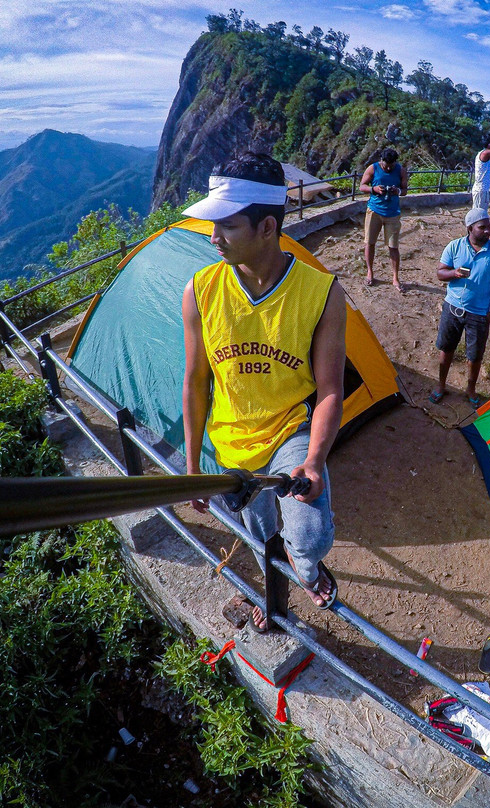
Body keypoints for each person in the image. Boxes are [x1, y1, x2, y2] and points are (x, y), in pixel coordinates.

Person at [181, 152, 346, 632]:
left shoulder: (321, 292)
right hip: (232, 443)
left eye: (227, 227)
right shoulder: (200, 291)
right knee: (259, 532)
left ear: (268, 227)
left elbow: (331, 389)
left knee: (309, 536)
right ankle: (271, 593)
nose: (214, 239)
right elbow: (196, 382)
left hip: (289, 429)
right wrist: (193, 467)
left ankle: (307, 567)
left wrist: (313, 460)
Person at [430, 208, 490, 407]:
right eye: (482, 227)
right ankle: (440, 385)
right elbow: (440, 273)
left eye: (488, 226)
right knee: (446, 349)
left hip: (479, 314)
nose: (487, 231)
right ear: (470, 228)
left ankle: (470, 389)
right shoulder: (454, 247)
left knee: (475, 356)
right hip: (452, 308)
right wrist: (454, 273)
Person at [359, 147, 408, 291]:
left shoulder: (400, 171)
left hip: (392, 213)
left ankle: (395, 277)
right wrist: (374, 190)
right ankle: (370, 272)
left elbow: (405, 190)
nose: (388, 168)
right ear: (381, 160)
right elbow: (362, 186)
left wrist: (397, 191)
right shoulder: (373, 168)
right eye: (386, 165)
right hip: (374, 211)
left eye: (391, 166)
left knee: (393, 246)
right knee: (369, 243)